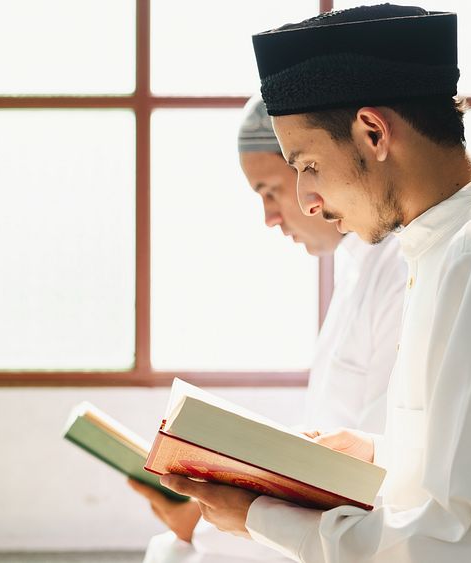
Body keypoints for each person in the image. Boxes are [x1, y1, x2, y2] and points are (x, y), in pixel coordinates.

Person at [161, 5, 471, 562]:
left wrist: (261, 518)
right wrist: (382, 453)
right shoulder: (455, 250)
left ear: (373, 132)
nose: (306, 199)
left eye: (306, 164)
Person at [130, 95, 407, 563]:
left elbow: (378, 475)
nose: (273, 216)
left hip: (358, 530)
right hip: (330, 521)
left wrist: (225, 520)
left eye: (271, 191)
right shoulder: (357, 268)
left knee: (181, 550)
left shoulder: (399, 270)